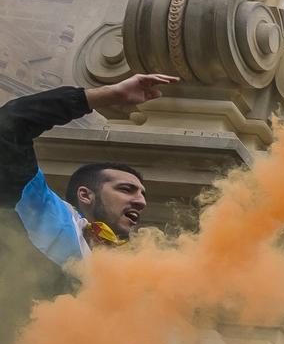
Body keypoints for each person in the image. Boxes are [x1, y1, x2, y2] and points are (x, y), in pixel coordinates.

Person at [0, 73, 176, 269]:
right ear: (85, 195)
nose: (141, 202)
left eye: (143, 194)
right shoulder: (43, 209)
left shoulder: (129, 269)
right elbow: (10, 124)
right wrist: (106, 95)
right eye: (126, 189)